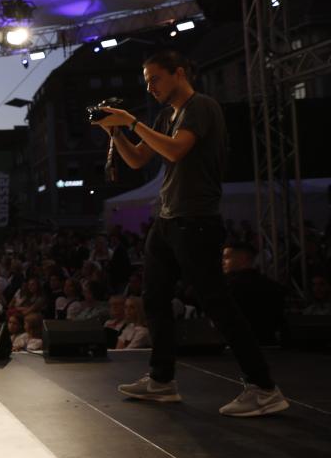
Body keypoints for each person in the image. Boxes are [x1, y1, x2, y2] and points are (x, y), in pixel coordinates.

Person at [96, 50, 288, 416]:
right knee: (154, 299)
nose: (150, 88)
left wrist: (131, 121)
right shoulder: (166, 116)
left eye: (155, 79)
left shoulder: (201, 106)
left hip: (196, 220)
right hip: (168, 219)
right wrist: (116, 132)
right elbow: (137, 159)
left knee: (217, 302)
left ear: (179, 73)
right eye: (147, 82)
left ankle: (264, 388)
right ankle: (161, 380)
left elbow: (175, 151)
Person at [221, 242, 285, 345]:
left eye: (226, 258)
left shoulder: (228, 287)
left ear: (243, 259)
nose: (222, 262)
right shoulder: (274, 286)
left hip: (237, 344)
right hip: (269, 344)